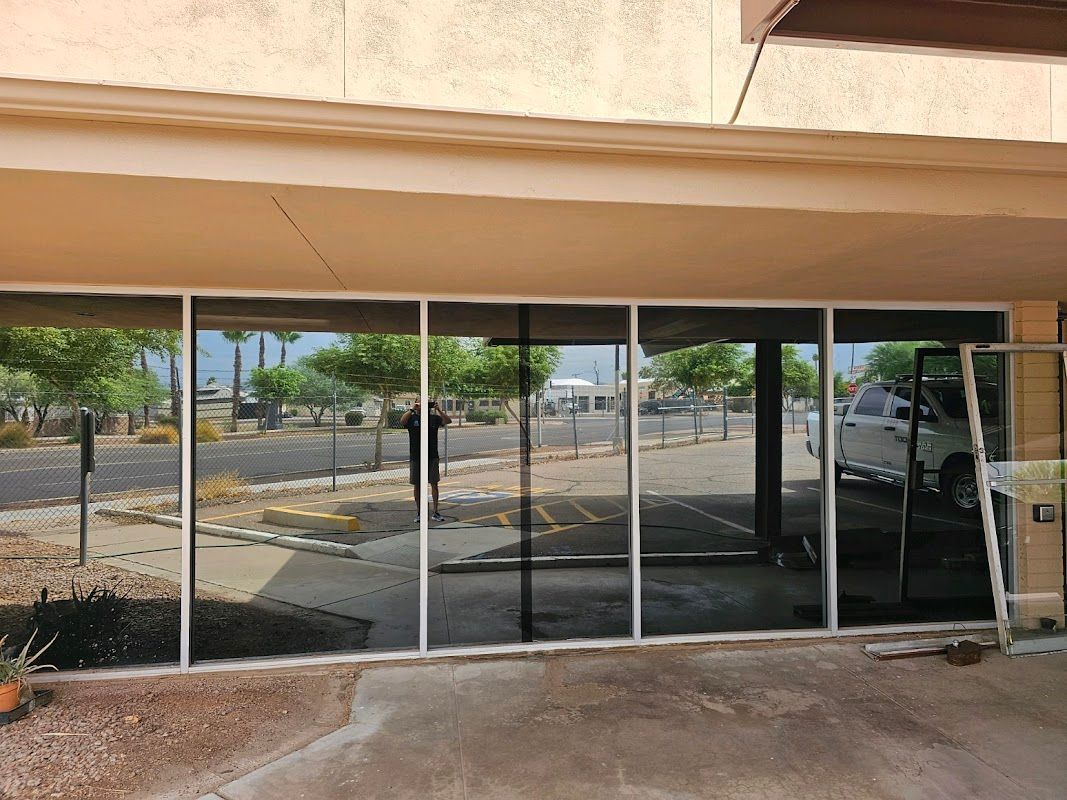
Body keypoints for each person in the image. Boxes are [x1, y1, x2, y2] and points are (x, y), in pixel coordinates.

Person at [400, 399, 451, 523]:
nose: (423, 404)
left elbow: (448, 421)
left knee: (434, 483)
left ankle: (436, 512)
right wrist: (412, 409)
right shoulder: (412, 418)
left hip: (432, 456)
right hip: (416, 456)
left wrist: (438, 409)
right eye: (420, 402)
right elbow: (402, 421)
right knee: (417, 484)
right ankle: (419, 512)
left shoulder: (434, 418)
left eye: (426, 402)